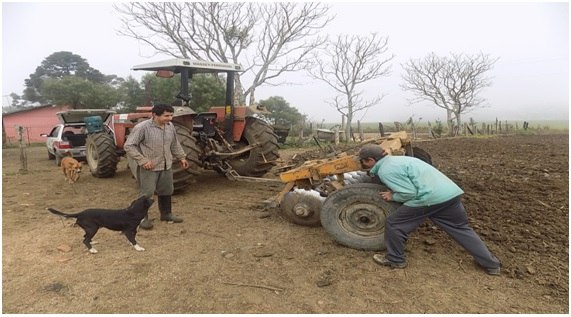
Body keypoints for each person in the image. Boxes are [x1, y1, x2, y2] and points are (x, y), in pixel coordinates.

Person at [358, 144, 501, 275]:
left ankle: (395, 259)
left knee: (394, 223)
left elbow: (409, 193)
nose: (362, 165)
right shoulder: (400, 160)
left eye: (362, 162)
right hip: (450, 194)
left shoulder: (385, 170)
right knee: (461, 229)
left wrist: (393, 195)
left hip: (430, 198)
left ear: (370, 160)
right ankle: (491, 264)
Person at [124, 104, 190, 230]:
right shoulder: (142, 128)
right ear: (154, 115)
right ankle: (142, 218)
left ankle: (166, 214)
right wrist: (142, 160)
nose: (170, 118)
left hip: (166, 165)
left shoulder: (170, 127)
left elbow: (175, 144)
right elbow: (129, 146)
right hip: (149, 167)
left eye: (171, 115)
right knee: (147, 193)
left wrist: (182, 157)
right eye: (166, 116)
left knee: (167, 190)